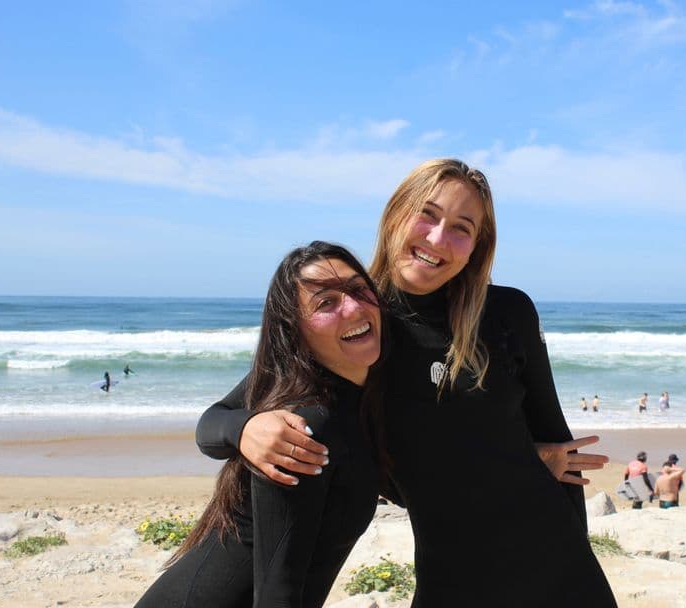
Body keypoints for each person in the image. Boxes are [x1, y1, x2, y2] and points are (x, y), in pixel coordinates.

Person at [195, 160, 617, 607]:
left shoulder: (509, 314)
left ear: (476, 247)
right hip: (451, 578)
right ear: (395, 215)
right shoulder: (360, 324)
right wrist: (246, 430)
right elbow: (213, 423)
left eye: (462, 228)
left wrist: (575, 546)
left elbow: (560, 450)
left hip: (560, 567)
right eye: (428, 215)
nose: (437, 239)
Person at [136, 242, 385, 608]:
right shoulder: (301, 429)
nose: (353, 307)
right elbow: (277, 593)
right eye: (325, 302)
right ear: (295, 330)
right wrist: (245, 430)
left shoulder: (355, 388)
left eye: (358, 288)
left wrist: (242, 428)